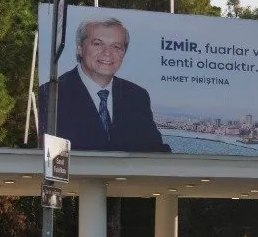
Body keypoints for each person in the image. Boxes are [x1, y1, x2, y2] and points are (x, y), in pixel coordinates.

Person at [39, 15, 170, 152]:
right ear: (79, 48)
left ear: (124, 53)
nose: (107, 53)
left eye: (116, 46)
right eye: (97, 43)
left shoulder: (137, 96)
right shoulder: (52, 94)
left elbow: (156, 151)